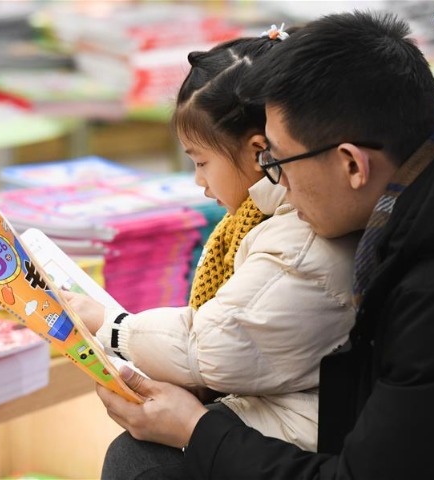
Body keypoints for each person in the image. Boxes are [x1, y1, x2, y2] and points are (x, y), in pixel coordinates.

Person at [95, 10, 434, 480]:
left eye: (277, 161)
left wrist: (195, 431)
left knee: (144, 463)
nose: (274, 183)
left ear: (353, 166)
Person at [62, 24, 360, 471]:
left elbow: (216, 345)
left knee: (137, 460)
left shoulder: (300, 236)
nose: (199, 181)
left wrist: (113, 327)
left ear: (263, 151)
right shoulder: (258, 218)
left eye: (201, 162)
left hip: (306, 435)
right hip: (293, 405)